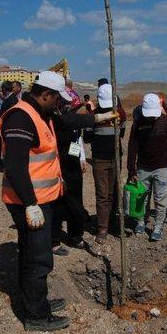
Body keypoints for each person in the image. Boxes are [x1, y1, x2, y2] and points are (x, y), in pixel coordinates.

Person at [0, 70, 70, 332]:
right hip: (28, 201)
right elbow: (15, 166)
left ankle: (36, 302)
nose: (59, 104)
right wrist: (30, 203)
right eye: (57, 99)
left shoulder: (41, 113)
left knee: (31, 253)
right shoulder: (21, 117)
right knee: (37, 258)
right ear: (46, 94)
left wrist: (96, 118)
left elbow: (68, 123)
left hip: (40, 199)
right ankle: (36, 315)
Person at [51, 95, 118, 255]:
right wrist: (97, 117)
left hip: (72, 163)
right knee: (59, 202)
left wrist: (81, 157)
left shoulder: (72, 119)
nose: (72, 109)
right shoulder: (55, 120)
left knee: (76, 199)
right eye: (69, 106)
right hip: (58, 164)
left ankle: (75, 235)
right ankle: (53, 240)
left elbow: (77, 138)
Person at [127, 93, 167, 241]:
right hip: (143, 167)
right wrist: (131, 170)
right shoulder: (138, 124)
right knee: (142, 197)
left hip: (162, 166)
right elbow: (132, 148)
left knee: (160, 199)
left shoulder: (166, 122)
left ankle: (158, 225)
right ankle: (141, 221)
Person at [85, 83, 126, 244]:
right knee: (103, 195)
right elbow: (87, 138)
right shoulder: (92, 117)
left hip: (116, 157)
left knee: (115, 192)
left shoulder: (120, 114)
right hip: (100, 159)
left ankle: (115, 223)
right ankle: (103, 227)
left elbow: (121, 133)